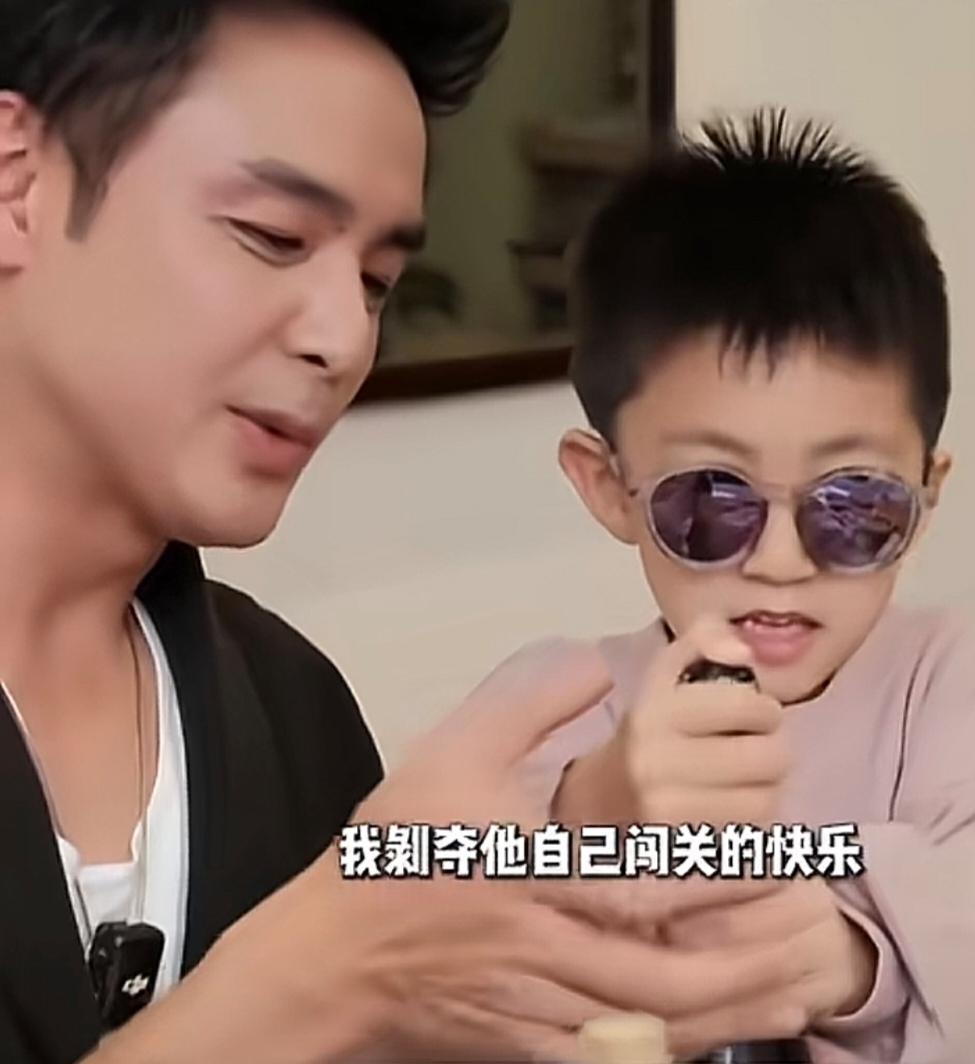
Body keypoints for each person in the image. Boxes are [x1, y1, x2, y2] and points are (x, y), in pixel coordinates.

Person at [0, 4, 806, 1062]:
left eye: (377, 282)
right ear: (17, 183)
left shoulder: (294, 710)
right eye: (273, 237)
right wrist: (320, 971)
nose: (344, 339)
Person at [514, 111, 975, 1062]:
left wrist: (853, 957)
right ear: (609, 486)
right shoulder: (554, 705)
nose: (779, 560)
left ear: (924, 497)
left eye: (852, 505)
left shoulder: (951, 681)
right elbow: (424, 914)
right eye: (711, 501)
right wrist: (595, 808)